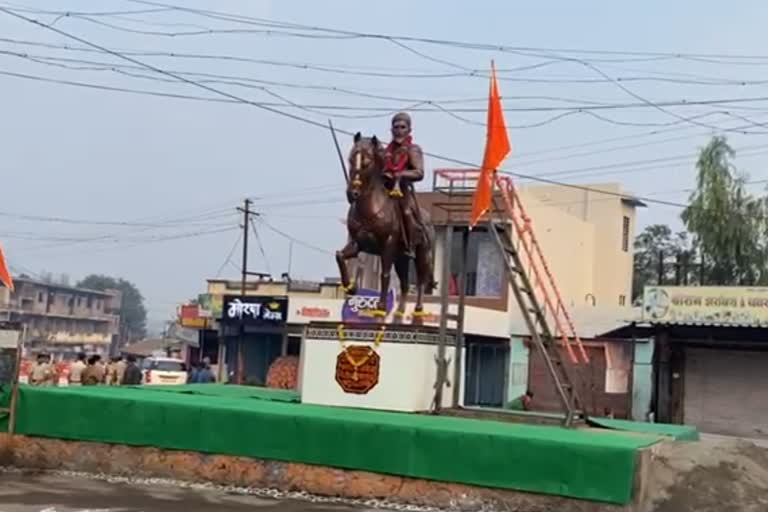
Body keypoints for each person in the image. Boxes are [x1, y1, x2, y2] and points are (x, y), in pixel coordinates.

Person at [383, 112, 426, 258]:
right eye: (396, 127)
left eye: (402, 127)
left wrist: (400, 175)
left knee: (407, 213)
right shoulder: (386, 151)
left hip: (402, 191)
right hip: (384, 189)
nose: (399, 130)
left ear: (409, 130)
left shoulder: (413, 149)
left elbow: (419, 173)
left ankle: (410, 245)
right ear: (391, 130)